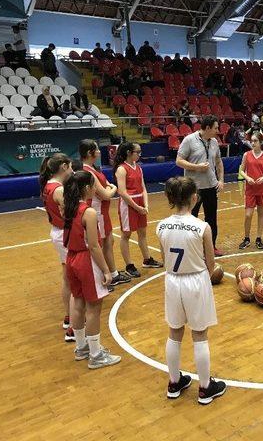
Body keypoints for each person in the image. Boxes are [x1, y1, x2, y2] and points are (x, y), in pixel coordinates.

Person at [157, 177, 227, 404]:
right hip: (195, 281)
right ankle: (206, 388)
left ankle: (174, 382)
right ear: (194, 198)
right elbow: (211, 264)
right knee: (199, 335)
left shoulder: (161, 226)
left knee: (174, 332)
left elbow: (164, 259)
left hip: (172, 280)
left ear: (169, 198)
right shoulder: (202, 227)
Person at [63, 170, 122, 369]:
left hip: (71, 257)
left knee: (78, 303)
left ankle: (81, 347)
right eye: (93, 186)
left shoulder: (67, 208)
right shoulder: (88, 212)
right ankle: (96, 355)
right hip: (86, 260)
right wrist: (106, 270)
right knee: (94, 308)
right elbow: (94, 245)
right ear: (87, 188)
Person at [80, 140, 132, 287]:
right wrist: (114, 188)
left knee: (109, 241)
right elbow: (106, 194)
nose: (99, 151)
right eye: (96, 149)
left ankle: (113, 274)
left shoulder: (93, 168)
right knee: (99, 244)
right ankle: (103, 277)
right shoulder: (88, 171)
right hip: (96, 213)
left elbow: (106, 186)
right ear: (90, 153)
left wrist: (110, 187)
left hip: (102, 212)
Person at [176, 116, 225, 256]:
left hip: (211, 187)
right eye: (215, 128)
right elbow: (179, 161)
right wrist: (196, 167)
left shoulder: (214, 142)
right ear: (208, 128)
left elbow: (219, 162)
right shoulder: (189, 140)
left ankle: (212, 247)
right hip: (193, 188)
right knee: (191, 218)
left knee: (211, 219)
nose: (218, 130)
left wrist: (221, 180)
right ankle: (191, 248)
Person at [39, 153, 76, 342]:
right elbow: (73, 214)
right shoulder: (59, 189)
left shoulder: (48, 185)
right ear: (63, 166)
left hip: (58, 232)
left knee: (67, 277)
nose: (72, 170)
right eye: (70, 166)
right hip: (65, 235)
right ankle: (73, 327)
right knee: (73, 279)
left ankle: (69, 317)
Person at [114, 142, 163, 278]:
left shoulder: (138, 168)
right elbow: (122, 192)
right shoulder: (121, 169)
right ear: (129, 152)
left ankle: (147, 259)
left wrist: (145, 205)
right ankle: (129, 265)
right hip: (128, 204)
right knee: (126, 235)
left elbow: (143, 188)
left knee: (142, 233)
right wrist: (137, 207)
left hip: (140, 201)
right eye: (138, 152)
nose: (140, 154)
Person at [238, 132, 263, 250]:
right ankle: (246, 238)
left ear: (261, 142)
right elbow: (241, 170)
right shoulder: (246, 155)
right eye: (252, 141)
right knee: (248, 215)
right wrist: (247, 178)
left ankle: (259, 238)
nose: (253, 143)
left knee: (261, 213)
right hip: (250, 189)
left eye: (255, 141)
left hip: (262, 188)